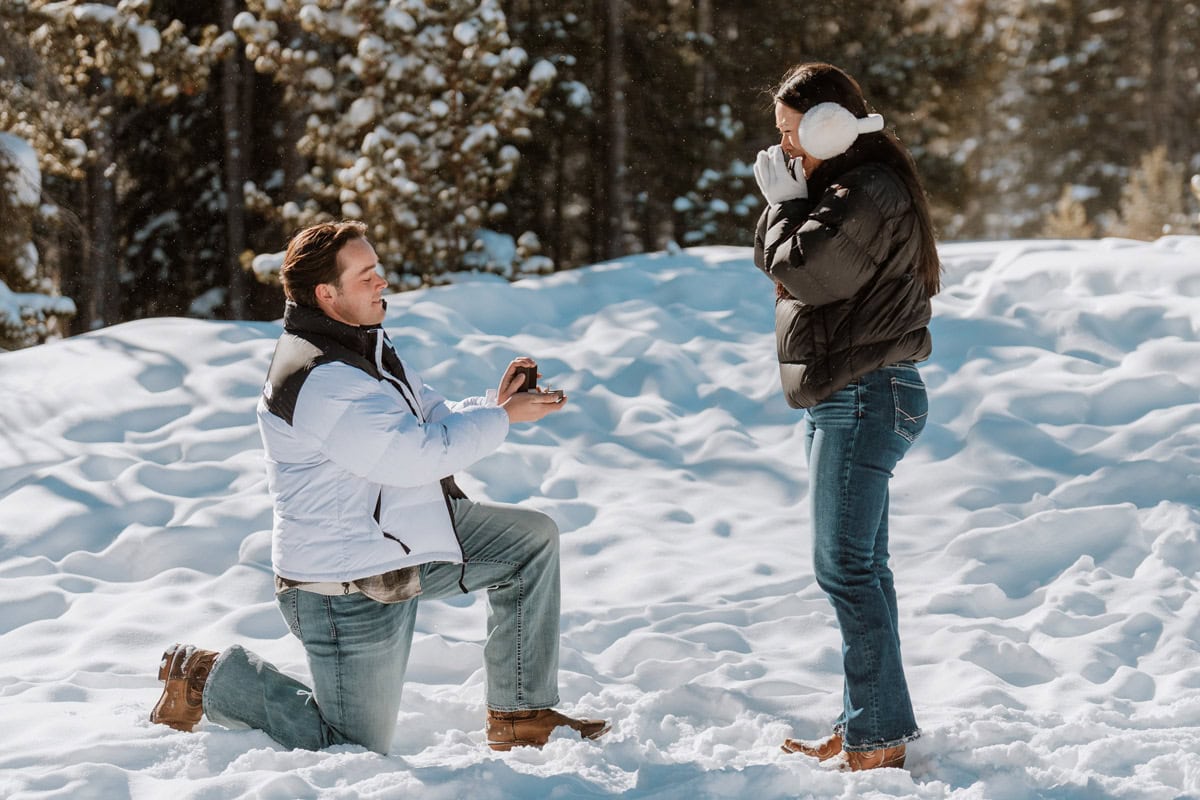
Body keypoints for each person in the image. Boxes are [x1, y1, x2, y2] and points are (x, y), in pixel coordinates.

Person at [150, 220, 609, 754]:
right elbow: (410, 456)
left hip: (399, 539)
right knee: (350, 747)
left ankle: (520, 714)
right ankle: (206, 677)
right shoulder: (320, 378)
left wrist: (494, 406)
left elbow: (426, 417)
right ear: (327, 293)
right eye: (366, 275)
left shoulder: (362, 345)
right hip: (344, 583)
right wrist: (502, 420)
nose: (382, 283)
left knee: (528, 542)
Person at [750, 63, 940, 771]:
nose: (784, 147)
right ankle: (873, 720)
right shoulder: (846, 187)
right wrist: (790, 205)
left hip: (864, 396)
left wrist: (783, 207)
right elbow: (780, 264)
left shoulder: (868, 191)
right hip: (850, 395)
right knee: (866, 569)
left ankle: (877, 736)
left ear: (832, 125)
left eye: (792, 132)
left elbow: (804, 273)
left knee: (846, 572)